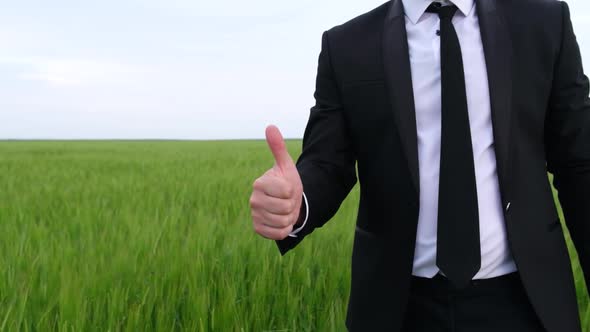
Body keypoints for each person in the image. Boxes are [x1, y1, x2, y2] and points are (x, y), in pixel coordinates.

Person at [248, 0, 590, 330]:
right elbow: (327, 163)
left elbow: (579, 163)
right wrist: (296, 205)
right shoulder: (347, 45)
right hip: (399, 307)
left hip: (524, 302)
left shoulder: (545, 23)